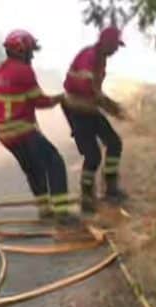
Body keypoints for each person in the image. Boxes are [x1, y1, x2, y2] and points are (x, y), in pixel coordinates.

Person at [0, 29, 80, 226]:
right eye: (31, 51)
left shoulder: (2, 69)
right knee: (54, 161)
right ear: (21, 50)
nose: (32, 55)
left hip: (4, 133)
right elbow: (40, 101)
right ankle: (62, 214)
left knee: (33, 169)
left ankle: (45, 210)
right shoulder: (23, 71)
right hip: (21, 130)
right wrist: (59, 98)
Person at [61, 25, 129, 215]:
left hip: (89, 109)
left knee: (114, 143)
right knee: (93, 155)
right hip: (77, 110)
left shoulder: (101, 58)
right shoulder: (89, 56)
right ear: (107, 43)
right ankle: (87, 198)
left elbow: (94, 91)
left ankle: (111, 188)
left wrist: (110, 106)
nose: (116, 50)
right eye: (115, 45)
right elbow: (85, 87)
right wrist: (110, 105)